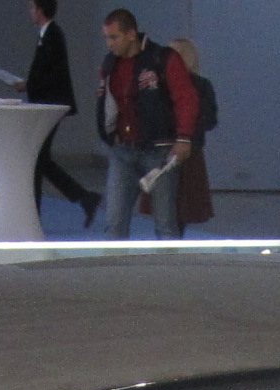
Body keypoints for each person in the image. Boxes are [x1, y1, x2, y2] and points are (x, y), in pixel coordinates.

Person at [94, 9, 198, 242]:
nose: (109, 44)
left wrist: (184, 137)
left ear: (131, 34)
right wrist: (108, 134)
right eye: (106, 38)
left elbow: (186, 98)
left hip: (159, 150)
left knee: (165, 224)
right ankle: (116, 266)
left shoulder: (162, 58)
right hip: (123, 149)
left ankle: (169, 266)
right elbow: (108, 102)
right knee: (114, 223)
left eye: (114, 37)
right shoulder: (110, 64)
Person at [25, 1, 98, 228]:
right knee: (40, 159)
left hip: (49, 106)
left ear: (40, 9)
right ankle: (83, 197)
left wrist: (28, 85)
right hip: (47, 105)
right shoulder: (49, 35)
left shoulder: (53, 35)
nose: (30, 12)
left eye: (32, 7)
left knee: (37, 160)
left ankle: (35, 215)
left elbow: (51, 74)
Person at [167, 36, 215, 231]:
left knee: (181, 204)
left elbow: (209, 119)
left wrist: (186, 131)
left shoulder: (201, 85)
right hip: (168, 149)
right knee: (169, 204)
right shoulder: (160, 85)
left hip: (188, 151)